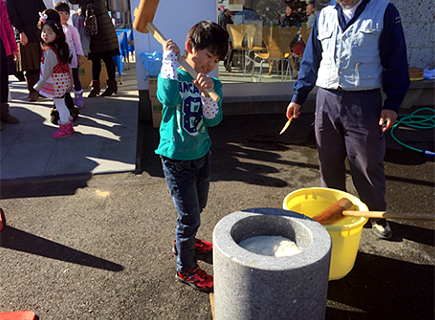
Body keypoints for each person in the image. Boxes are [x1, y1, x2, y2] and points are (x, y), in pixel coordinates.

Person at [285, 0, 410, 239]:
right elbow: (311, 60)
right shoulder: (325, 15)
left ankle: (375, 215)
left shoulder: (384, 11)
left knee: (367, 161)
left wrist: (392, 104)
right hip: (326, 99)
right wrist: (298, 96)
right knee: (328, 160)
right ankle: (337, 212)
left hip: (364, 101)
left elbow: (396, 59)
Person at [155, 21, 228, 292]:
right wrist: (169, 61)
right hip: (176, 158)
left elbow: (214, 121)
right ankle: (185, 268)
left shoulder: (213, 83)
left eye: (216, 60)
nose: (210, 64)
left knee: (199, 207)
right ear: (190, 47)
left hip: (201, 154)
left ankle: (185, 239)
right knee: (189, 216)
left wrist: (208, 95)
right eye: (208, 56)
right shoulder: (174, 75)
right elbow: (167, 97)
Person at [34, 9, 74, 139]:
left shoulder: (49, 51)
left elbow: (46, 71)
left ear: (57, 34)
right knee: (62, 103)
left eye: (49, 32)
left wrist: (38, 86)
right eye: (44, 31)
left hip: (56, 82)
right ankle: (68, 123)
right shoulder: (60, 47)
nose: (45, 34)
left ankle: (64, 128)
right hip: (63, 80)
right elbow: (68, 66)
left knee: (59, 104)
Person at [68, 0, 119, 97]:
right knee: (95, 59)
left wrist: (84, 8)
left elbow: (99, 6)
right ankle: (95, 86)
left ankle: (111, 85)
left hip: (103, 29)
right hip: (91, 30)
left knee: (107, 58)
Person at [5, 0, 46, 101]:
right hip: (23, 33)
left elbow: (43, 10)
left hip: (39, 31)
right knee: (29, 64)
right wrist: (21, 32)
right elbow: (12, 16)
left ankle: (41, 90)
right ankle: (32, 91)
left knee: (40, 63)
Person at [55, 1, 85, 109]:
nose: (63, 16)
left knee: (75, 78)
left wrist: (79, 57)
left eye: (66, 13)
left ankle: (78, 97)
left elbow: (78, 44)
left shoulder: (73, 29)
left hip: (72, 60)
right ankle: (63, 99)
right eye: (60, 13)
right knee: (61, 80)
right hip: (58, 61)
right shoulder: (54, 29)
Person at [0, 0, 19, 131]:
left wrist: (13, 48)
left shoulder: (1, 3)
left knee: (3, 81)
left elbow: (7, 25)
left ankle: (3, 112)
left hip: (2, 47)